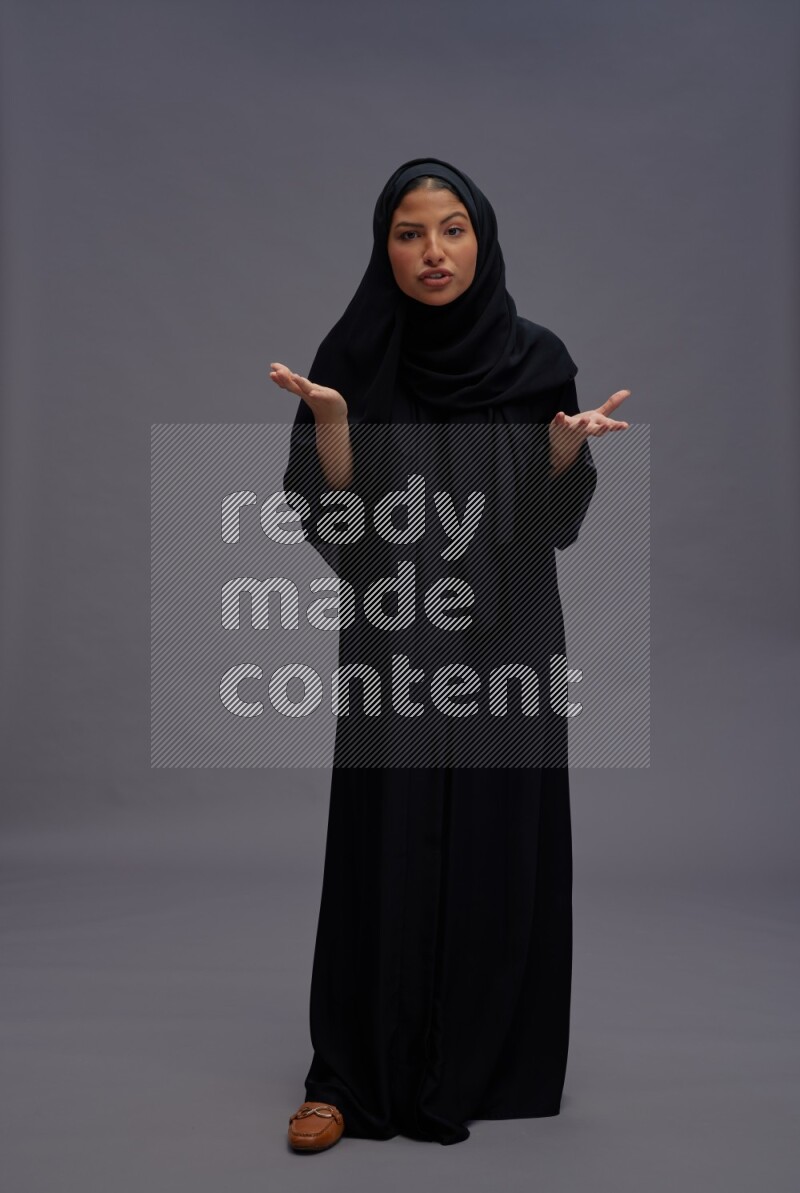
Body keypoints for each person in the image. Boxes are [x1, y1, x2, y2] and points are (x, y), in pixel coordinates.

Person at [271, 157, 630, 1151]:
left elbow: (548, 526)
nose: (432, 252)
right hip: (393, 635)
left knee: (491, 841)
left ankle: (475, 1060)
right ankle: (345, 1072)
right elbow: (338, 525)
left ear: (482, 237)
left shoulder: (533, 358)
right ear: (382, 247)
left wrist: (560, 457)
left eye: (452, 229)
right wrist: (335, 425)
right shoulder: (353, 354)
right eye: (408, 232)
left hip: (503, 638)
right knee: (380, 843)